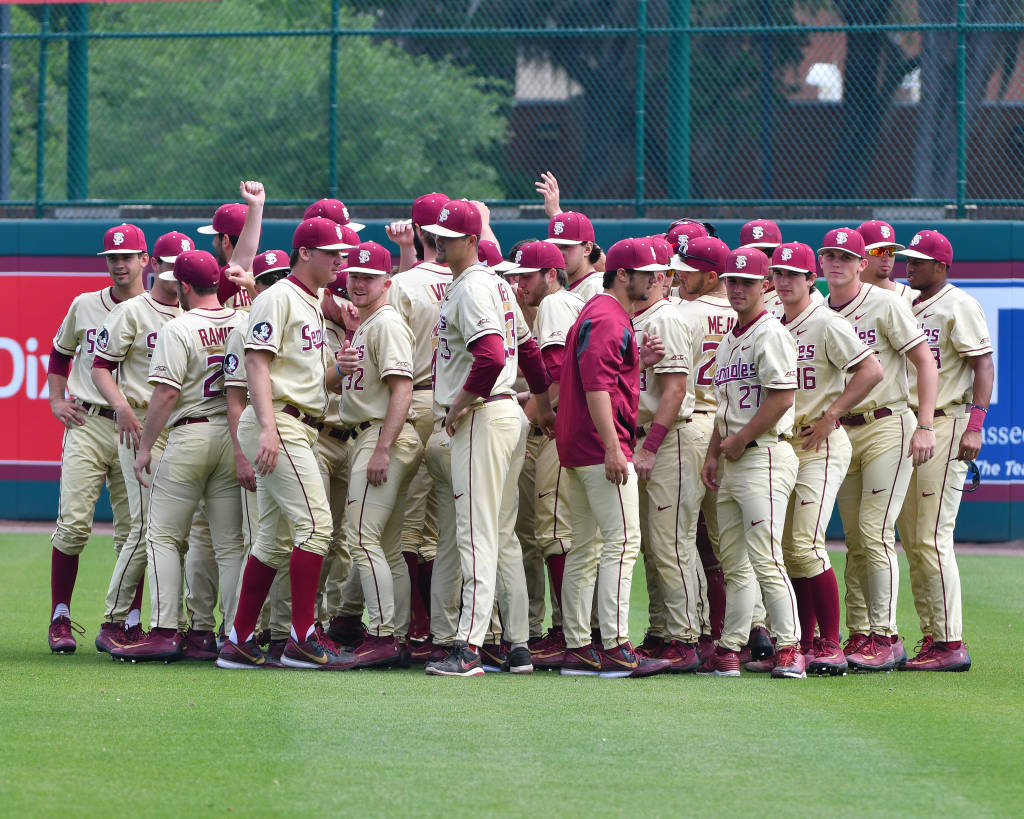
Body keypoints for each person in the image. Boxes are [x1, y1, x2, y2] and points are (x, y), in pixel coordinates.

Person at [218, 217, 357, 670]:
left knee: (274, 541)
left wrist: (342, 366)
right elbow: (256, 364)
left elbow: (310, 380)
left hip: (298, 420)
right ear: (304, 253)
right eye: (330, 251)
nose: (340, 258)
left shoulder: (311, 301)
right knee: (316, 528)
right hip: (280, 421)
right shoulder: (278, 296)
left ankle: (237, 639)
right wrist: (267, 428)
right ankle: (301, 636)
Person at [422, 199, 552, 677]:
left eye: (449, 236)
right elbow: (530, 349)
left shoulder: (475, 285)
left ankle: (469, 647)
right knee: (501, 535)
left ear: (472, 241)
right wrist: (543, 402)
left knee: (475, 533)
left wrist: (458, 405)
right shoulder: (496, 284)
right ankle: (517, 645)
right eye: (437, 234)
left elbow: (493, 356)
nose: (439, 242)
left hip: (481, 414)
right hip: (504, 416)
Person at [112, 250, 247, 661]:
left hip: (191, 434)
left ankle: (167, 629)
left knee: (162, 535)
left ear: (185, 286)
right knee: (229, 544)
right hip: (233, 433)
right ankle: (233, 633)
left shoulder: (179, 325)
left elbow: (167, 393)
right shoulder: (242, 319)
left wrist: (147, 446)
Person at [821, 227, 938, 672]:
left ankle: (886, 636)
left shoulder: (886, 303)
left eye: (846, 257)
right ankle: (861, 632)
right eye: (830, 255)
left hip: (888, 423)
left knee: (874, 531)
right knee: (853, 539)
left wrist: (925, 425)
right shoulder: (819, 307)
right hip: (842, 432)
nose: (837, 263)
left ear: (861, 264)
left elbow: (924, 361)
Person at [555, 237, 671, 679]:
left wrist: (637, 364)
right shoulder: (608, 316)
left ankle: (579, 648)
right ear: (623, 274)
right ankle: (617, 647)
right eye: (648, 273)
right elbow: (596, 387)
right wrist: (612, 447)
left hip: (578, 445)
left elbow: (605, 377)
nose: (656, 279)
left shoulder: (597, 312)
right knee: (622, 542)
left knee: (587, 547)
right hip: (598, 446)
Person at [767, 241, 883, 676]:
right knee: (786, 547)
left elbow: (871, 370)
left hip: (822, 442)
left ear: (808, 279)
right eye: (778, 274)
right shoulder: (773, 321)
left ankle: (831, 644)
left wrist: (834, 413)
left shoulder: (826, 322)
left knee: (804, 543)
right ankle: (807, 640)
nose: (784, 282)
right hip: (786, 442)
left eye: (793, 275)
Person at [699, 247, 802, 679]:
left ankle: (791, 647)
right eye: (731, 281)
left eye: (746, 281)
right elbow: (725, 408)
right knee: (735, 562)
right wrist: (712, 453)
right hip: (735, 459)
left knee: (766, 558)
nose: (737, 288)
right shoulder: (729, 340)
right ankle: (729, 648)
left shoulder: (770, 333)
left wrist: (740, 439)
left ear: (765, 286)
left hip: (765, 455)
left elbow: (783, 396)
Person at [895, 230, 993, 671]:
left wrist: (975, 426)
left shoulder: (959, 304)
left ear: (942, 266)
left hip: (948, 422)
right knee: (913, 540)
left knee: (932, 537)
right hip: (911, 425)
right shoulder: (903, 303)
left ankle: (951, 643)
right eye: (908, 260)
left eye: (918, 261)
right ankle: (934, 636)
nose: (909, 266)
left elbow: (983, 365)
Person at [46, 223, 145, 653]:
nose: (119, 264)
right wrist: (55, 400)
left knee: (135, 532)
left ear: (145, 260)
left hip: (137, 426)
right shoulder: (85, 304)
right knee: (72, 527)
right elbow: (59, 354)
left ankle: (131, 620)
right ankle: (60, 617)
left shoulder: (164, 308)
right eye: (112, 257)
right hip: (87, 421)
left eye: (127, 256)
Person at [90, 231, 187, 654]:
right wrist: (123, 409)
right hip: (139, 424)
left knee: (176, 533)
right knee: (146, 527)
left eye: (176, 267)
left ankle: (178, 623)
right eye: (164, 265)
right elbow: (100, 367)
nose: (169, 274)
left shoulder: (192, 310)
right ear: (155, 265)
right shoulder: (133, 311)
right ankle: (114, 619)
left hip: (184, 429)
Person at [327, 241, 422, 668]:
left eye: (368, 277)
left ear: (388, 281)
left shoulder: (386, 323)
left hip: (381, 436)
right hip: (372, 433)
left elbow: (403, 389)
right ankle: (394, 634)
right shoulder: (365, 324)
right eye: (354, 276)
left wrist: (383, 446)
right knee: (384, 544)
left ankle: (382, 635)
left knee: (361, 537)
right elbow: (333, 384)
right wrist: (339, 368)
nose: (359, 283)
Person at [507, 240, 585, 668]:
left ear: (552, 274)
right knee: (567, 533)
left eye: (527, 275)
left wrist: (528, 413)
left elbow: (553, 378)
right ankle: (575, 630)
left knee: (554, 533)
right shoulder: (572, 304)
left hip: (559, 432)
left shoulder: (555, 305)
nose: (520, 283)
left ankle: (567, 633)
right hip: (575, 429)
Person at [631, 261, 703, 672]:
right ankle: (661, 633)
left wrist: (651, 447)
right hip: (646, 436)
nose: (637, 279)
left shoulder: (666, 319)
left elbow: (675, 389)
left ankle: (684, 638)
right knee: (652, 545)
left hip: (669, 437)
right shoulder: (636, 316)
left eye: (648, 273)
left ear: (661, 279)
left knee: (671, 542)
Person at [857, 220, 918, 305]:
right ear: (860, 254)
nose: (886, 258)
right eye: (878, 251)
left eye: (891, 251)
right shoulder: (843, 298)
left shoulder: (913, 298)